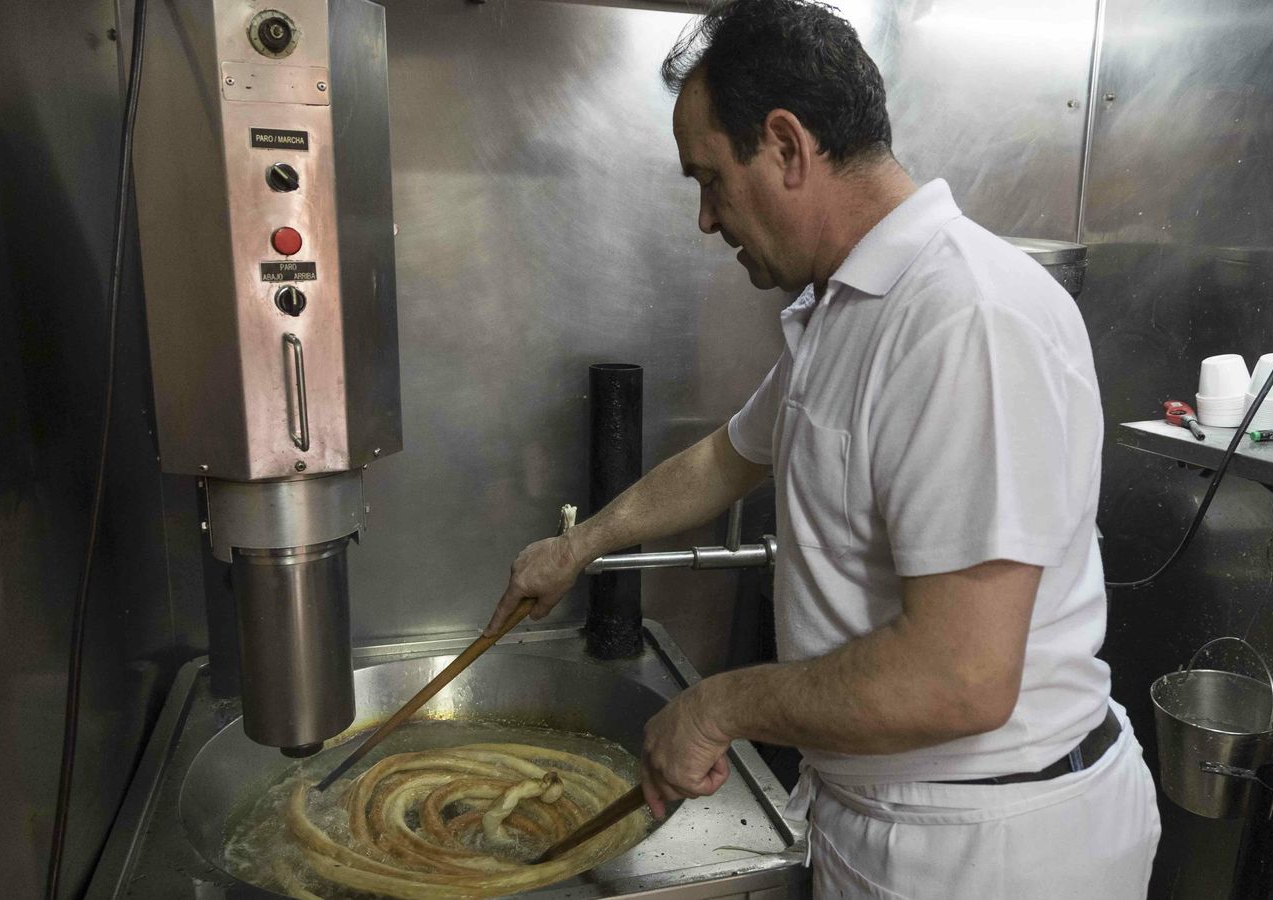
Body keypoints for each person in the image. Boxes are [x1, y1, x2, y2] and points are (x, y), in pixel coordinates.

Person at [485, 0, 1161, 895]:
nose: (706, 218)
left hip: (988, 850)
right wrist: (579, 547)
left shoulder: (966, 321)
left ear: (786, 146)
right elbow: (727, 458)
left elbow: (962, 678)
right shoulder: (848, 308)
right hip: (889, 821)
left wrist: (718, 706)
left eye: (710, 179)